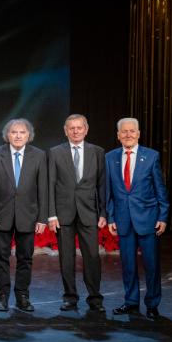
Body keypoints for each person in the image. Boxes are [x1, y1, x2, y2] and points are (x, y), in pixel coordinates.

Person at [106, 117, 169, 319]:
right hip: (123, 220)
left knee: (151, 265)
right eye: (124, 131)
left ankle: (152, 304)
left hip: (148, 219)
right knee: (128, 265)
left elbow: (160, 189)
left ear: (139, 134)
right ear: (118, 135)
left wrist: (163, 216)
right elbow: (108, 192)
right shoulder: (110, 157)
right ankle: (131, 302)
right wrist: (110, 217)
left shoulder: (151, 156)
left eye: (132, 131)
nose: (128, 135)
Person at [48, 114, 107, 312]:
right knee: (66, 258)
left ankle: (95, 298)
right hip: (63, 214)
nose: (75, 131)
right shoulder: (55, 152)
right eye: (71, 128)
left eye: (79, 127)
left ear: (86, 130)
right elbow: (50, 184)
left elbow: (101, 185)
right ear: (65, 131)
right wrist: (52, 214)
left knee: (92, 257)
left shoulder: (97, 152)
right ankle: (70, 297)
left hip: (89, 213)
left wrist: (103, 212)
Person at [0, 119, 47, 312]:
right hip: (1, 215)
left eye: (22, 132)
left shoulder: (39, 155)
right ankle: (2, 296)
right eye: (14, 132)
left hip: (28, 215)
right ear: (7, 135)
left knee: (25, 258)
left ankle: (22, 296)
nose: (18, 135)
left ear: (28, 135)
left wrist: (42, 217)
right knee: (1, 258)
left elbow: (43, 188)